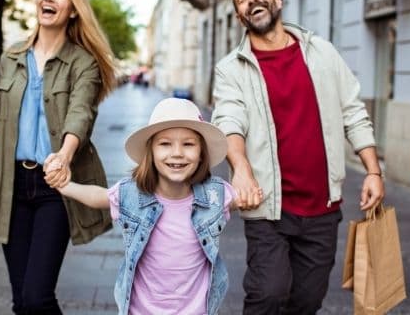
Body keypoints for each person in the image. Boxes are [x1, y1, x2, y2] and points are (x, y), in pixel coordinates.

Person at [211, 0, 385, 314]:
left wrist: (373, 171)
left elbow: (353, 111)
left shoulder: (321, 52)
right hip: (269, 207)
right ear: (239, 17)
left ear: (277, 1)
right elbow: (229, 120)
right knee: (268, 294)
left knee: (306, 301)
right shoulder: (231, 68)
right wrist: (242, 170)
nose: (251, 0)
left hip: (323, 206)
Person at [0, 0, 118, 314]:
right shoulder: (12, 58)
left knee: (37, 296)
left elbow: (81, 114)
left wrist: (63, 157)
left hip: (57, 187)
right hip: (12, 185)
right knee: (22, 300)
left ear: (73, 9)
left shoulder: (83, 63)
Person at [47, 98, 256, 315]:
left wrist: (249, 192)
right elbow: (99, 196)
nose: (177, 153)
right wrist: (65, 186)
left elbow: (243, 197)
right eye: (165, 144)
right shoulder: (132, 194)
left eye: (188, 144)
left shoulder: (216, 195)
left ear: (202, 152)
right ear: (151, 152)